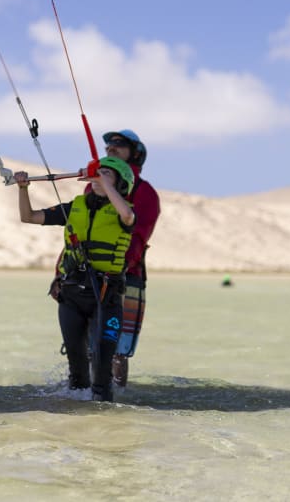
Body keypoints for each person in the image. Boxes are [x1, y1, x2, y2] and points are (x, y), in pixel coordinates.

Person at [15, 157, 135, 402]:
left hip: (106, 298)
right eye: (98, 173)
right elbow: (28, 216)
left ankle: (103, 421)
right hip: (72, 296)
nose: (100, 177)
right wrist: (23, 188)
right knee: (77, 371)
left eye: (108, 175)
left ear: (120, 185)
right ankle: (75, 422)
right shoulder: (74, 208)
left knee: (101, 373)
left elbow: (127, 214)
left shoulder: (126, 213)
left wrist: (103, 181)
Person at [99, 130, 160, 390]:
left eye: (119, 144)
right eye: (109, 144)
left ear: (135, 153)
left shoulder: (145, 193)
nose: (111, 147)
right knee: (87, 344)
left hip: (126, 276)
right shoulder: (97, 186)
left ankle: (115, 397)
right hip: (89, 273)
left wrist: (117, 269)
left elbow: (138, 236)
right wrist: (61, 272)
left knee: (118, 348)